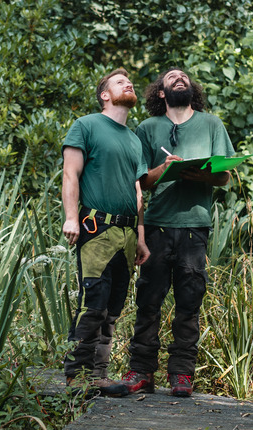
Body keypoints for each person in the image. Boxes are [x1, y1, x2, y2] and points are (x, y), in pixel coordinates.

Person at [108, 67, 234, 398]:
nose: (179, 78)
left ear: (191, 88)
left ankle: (181, 374)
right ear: (161, 92)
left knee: (189, 301)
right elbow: (139, 181)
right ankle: (141, 371)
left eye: (183, 77)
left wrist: (197, 174)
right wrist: (165, 169)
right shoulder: (148, 128)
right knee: (149, 299)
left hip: (195, 225)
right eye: (170, 77)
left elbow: (225, 177)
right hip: (158, 224)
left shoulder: (211, 124)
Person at [61, 68, 150, 396]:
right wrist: (71, 217)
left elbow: (138, 193)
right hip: (96, 228)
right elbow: (71, 174)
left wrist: (141, 238)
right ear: (105, 95)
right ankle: (76, 376)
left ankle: (98, 375)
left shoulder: (134, 139)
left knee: (112, 310)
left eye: (129, 81)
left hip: (127, 236)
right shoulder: (86, 125)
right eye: (119, 82)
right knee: (92, 303)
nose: (128, 84)